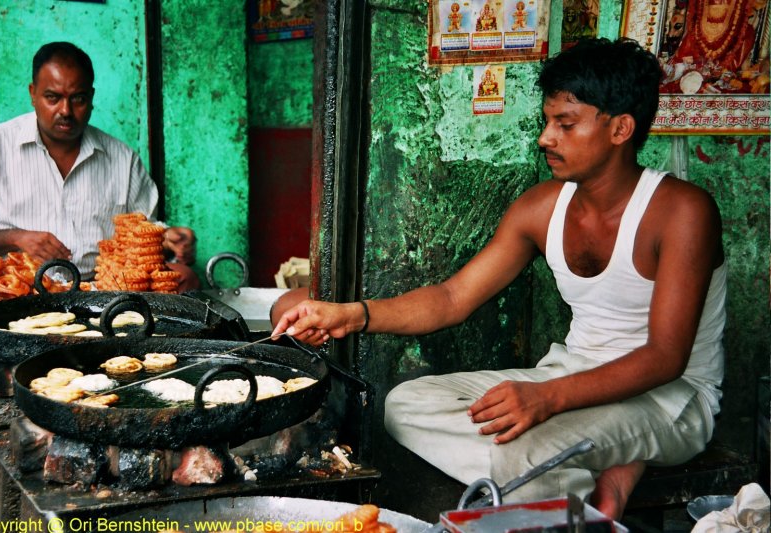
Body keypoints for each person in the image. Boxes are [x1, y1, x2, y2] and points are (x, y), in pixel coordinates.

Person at [272, 38, 726, 520]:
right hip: (570, 375)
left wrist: (547, 398)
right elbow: (452, 297)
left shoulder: (681, 211)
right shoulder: (542, 207)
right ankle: (587, 483)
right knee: (405, 404)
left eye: (565, 124)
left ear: (620, 128)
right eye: (546, 122)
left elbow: (665, 358)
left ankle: (569, 493)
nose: (545, 138)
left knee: (521, 452)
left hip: (669, 401)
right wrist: (352, 316)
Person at [0, 42, 199, 290]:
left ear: (91, 98)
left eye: (77, 99)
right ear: (33, 94)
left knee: (184, 276)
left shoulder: (122, 159)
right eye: (52, 98)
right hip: (19, 289)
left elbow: (145, 232)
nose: (65, 111)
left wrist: (170, 239)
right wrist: (17, 238)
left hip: (100, 290)